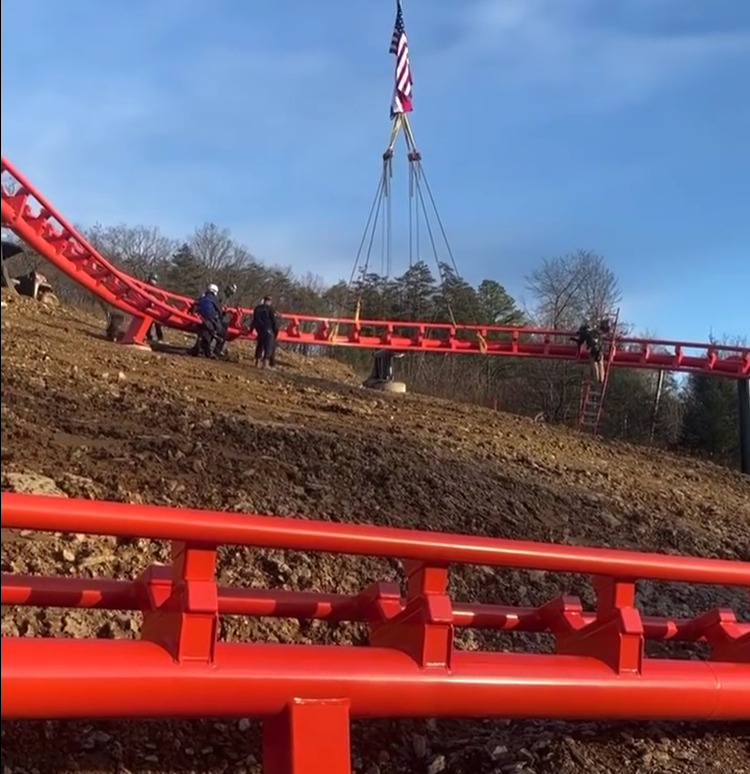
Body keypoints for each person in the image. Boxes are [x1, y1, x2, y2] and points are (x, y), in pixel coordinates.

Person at [190, 283, 224, 357]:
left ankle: (200, 348)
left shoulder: (202, 298)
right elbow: (220, 311)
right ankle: (216, 351)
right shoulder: (214, 299)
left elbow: (194, 306)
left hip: (200, 320)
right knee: (222, 332)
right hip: (211, 322)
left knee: (204, 332)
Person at [248, 295, 279, 367]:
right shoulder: (271, 309)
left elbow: (254, 320)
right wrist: (275, 331)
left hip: (259, 330)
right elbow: (274, 321)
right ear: (269, 301)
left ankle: (257, 362)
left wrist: (251, 329)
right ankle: (265, 363)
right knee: (268, 346)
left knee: (260, 345)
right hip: (268, 329)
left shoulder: (257, 308)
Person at [145, 273, 164, 343]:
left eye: (155, 280)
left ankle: (160, 337)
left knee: (157, 323)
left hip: (155, 308)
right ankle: (149, 336)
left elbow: (158, 297)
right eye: (153, 279)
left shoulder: (156, 288)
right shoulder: (146, 286)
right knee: (148, 324)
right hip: (147, 306)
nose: (154, 281)